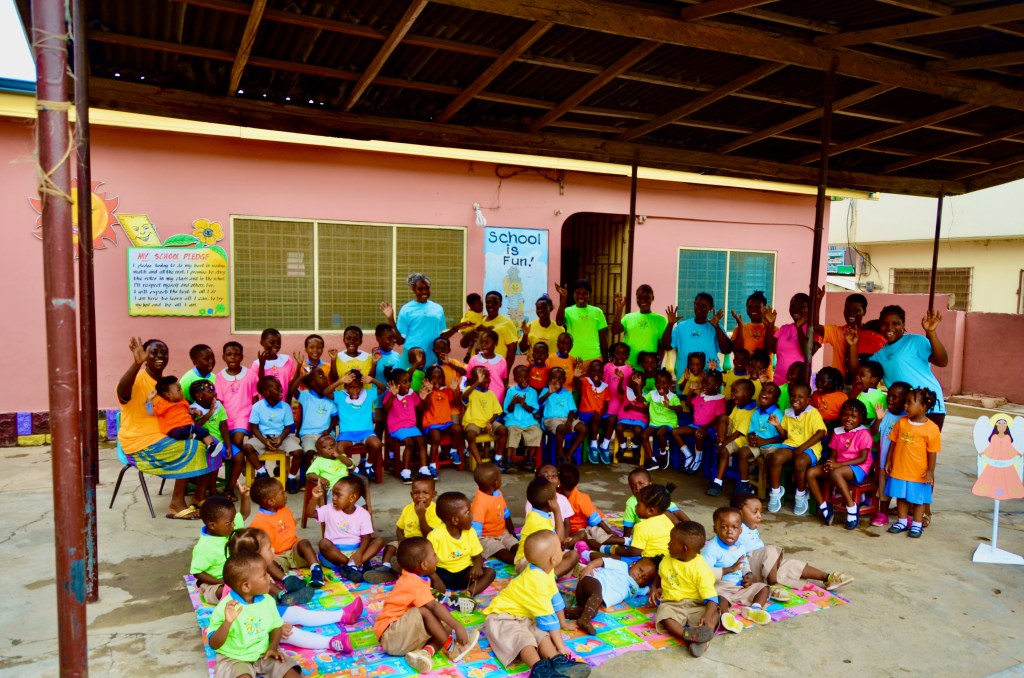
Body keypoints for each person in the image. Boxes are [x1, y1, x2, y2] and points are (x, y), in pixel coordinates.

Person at [117, 337, 212, 519]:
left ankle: (198, 496)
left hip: (167, 435)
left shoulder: (168, 385)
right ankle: (176, 504)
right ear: (144, 356)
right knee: (192, 447)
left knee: (213, 444)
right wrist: (136, 364)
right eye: (154, 352)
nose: (160, 356)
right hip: (140, 442)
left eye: (164, 352)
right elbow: (123, 391)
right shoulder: (136, 380)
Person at [224, 529, 362, 652]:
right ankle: (331, 643)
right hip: (253, 631)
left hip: (267, 612)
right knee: (290, 633)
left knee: (297, 612)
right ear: (254, 557)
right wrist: (274, 626)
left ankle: (342, 615)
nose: (273, 550)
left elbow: (264, 604)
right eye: (268, 548)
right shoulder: (239, 589)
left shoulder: (256, 575)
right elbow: (244, 622)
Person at [484, 531, 591, 676]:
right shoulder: (536, 582)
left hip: (526, 615)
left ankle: (557, 660)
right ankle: (539, 670)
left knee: (541, 634)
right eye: (560, 548)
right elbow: (549, 620)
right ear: (553, 559)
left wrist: (564, 624)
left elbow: (556, 600)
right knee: (523, 639)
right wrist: (562, 647)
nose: (563, 550)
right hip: (502, 617)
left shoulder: (545, 571)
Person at [374, 537, 479, 671]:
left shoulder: (417, 577)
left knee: (444, 626)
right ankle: (451, 648)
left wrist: (451, 625)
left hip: (403, 638)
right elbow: (433, 606)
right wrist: (458, 626)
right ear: (423, 565)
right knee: (426, 610)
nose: (437, 557)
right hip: (391, 636)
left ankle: (424, 653)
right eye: (434, 554)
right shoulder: (411, 582)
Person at [730, 493, 852, 592]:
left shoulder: (751, 528)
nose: (759, 516)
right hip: (748, 570)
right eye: (754, 512)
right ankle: (774, 585)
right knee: (770, 550)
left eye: (760, 512)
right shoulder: (734, 528)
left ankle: (827, 577)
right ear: (738, 513)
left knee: (792, 564)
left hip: (763, 569)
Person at [206, 553, 302, 678]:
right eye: (264, 575)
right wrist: (227, 623)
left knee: (290, 672)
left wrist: (272, 648)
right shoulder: (225, 608)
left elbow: (276, 626)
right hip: (234, 658)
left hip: (264, 653)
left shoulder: (267, 600)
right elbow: (214, 644)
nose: (269, 577)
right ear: (246, 586)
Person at [871, 306, 949, 431]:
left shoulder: (916, 341)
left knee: (921, 448)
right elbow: (861, 373)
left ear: (903, 325)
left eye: (895, 323)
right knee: (904, 448)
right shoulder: (879, 355)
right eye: (885, 324)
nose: (890, 328)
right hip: (904, 409)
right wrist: (853, 346)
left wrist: (931, 332)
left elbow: (942, 361)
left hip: (929, 405)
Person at [648, 522, 719, 658]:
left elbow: (711, 597)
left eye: (671, 542)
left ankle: (704, 634)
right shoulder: (667, 559)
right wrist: (654, 587)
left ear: (684, 548)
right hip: (672, 603)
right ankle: (687, 636)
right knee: (664, 616)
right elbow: (660, 572)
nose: (668, 544)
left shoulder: (700, 569)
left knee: (713, 614)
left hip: (696, 604)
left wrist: (707, 615)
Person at [700, 506, 771, 632]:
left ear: (740, 530)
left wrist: (748, 573)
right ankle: (726, 616)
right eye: (724, 527)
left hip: (739, 586)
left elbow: (743, 562)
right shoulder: (711, 549)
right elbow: (704, 574)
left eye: (734, 527)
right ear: (715, 529)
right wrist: (729, 569)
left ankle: (754, 609)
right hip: (721, 586)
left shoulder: (739, 545)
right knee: (719, 598)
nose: (729, 532)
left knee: (764, 588)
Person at [308, 476, 391, 583]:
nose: (333, 498)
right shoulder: (328, 509)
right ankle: (352, 565)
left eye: (338, 495)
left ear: (352, 498)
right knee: (323, 543)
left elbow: (366, 537)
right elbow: (310, 513)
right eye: (333, 494)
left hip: (355, 552)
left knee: (379, 541)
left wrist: (359, 553)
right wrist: (314, 498)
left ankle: (353, 566)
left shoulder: (363, 514)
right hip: (334, 555)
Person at [807, 399, 873, 529]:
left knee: (836, 472)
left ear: (861, 418)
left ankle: (851, 506)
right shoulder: (838, 432)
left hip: (858, 467)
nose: (849, 419)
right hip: (839, 466)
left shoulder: (864, 433)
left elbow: (862, 459)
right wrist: (831, 462)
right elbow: (834, 454)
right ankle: (824, 506)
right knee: (811, 472)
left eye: (853, 416)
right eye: (846, 415)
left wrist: (837, 466)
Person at [381, 273, 470, 368]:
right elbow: (400, 341)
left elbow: (440, 337)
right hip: (411, 358)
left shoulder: (438, 309)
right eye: (420, 289)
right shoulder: (406, 309)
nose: (424, 291)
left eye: (427, 288)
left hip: (432, 357)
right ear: (413, 289)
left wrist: (456, 328)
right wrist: (391, 320)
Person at [248, 476, 324, 587]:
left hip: (294, 551)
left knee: (305, 543)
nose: (286, 495)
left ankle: (316, 570)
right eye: (282, 493)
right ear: (271, 501)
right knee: (267, 563)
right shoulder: (257, 524)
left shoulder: (285, 510)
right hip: (278, 557)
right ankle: (286, 579)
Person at [886, 388, 941, 538]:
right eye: (905, 402)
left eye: (909, 403)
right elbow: (893, 442)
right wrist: (889, 460)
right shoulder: (901, 423)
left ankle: (917, 524)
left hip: (919, 472)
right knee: (901, 497)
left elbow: (932, 452)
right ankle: (902, 521)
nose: (905, 406)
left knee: (919, 499)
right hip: (900, 469)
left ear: (923, 407)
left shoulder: (932, 429)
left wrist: (930, 471)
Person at [427, 492, 497, 611]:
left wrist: (477, 566)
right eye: (468, 512)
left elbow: (477, 555)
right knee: (419, 576)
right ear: (455, 520)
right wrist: (436, 579)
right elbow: (427, 562)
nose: (472, 515)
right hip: (441, 573)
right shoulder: (435, 536)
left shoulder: (470, 533)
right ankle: (433, 594)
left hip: (465, 575)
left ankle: (466, 594)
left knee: (490, 572)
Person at [764, 383, 827, 516]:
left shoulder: (813, 413)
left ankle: (801, 493)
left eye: (800, 397)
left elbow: (821, 433)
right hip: (791, 444)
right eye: (793, 396)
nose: (795, 399)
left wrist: (802, 448)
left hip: (810, 446)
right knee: (776, 458)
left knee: (800, 462)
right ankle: (776, 492)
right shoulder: (788, 412)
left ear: (808, 400)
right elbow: (786, 435)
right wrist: (777, 426)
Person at [566, 556, 657, 635]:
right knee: (597, 594)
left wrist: (656, 588)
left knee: (590, 611)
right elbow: (602, 561)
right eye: (640, 570)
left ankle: (562, 613)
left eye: (644, 578)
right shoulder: (622, 566)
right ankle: (584, 620)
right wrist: (590, 566)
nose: (639, 575)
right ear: (633, 564)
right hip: (591, 582)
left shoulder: (638, 589)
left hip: (592, 600)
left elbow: (653, 591)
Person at [215, 341, 259, 499]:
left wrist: (255, 423)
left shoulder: (250, 375)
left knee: (238, 440)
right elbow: (219, 402)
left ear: (242, 356)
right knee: (234, 451)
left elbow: (255, 399)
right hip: (226, 419)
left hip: (243, 416)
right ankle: (237, 468)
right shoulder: (219, 377)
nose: (232, 357)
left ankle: (234, 474)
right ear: (223, 357)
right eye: (229, 354)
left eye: (236, 354)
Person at [287, 361, 339, 493]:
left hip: (326, 435)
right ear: (313, 383)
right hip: (308, 435)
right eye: (321, 376)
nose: (325, 377)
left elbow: (334, 418)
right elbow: (292, 389)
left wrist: (329, 430)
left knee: (331, 453)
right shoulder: (306, 396)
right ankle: (313, 480)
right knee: (309, 452)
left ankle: (331, 478)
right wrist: (304, 375)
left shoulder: (330, 399)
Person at [328, 369, 385, 482]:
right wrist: (339, 381)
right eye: (351, 387)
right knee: (339, 448)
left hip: (366, 432)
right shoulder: (340, 396)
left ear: (362, 386)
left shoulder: (368, 394)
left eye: (358, 387)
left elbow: (383, 388)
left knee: (377, 444)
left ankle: (368, 466)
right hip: (347, 434)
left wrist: (372, 380)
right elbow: (326, 392)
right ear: (346, 387)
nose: (355, 390)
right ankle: (353, 468)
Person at [241, 376, 302, 480]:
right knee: (247, 447)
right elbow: (254, 428)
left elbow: (288, 428)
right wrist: (265, 441)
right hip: (262, 437)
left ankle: (291, 478)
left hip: (281, 437)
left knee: (299, 452)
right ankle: (262, 472)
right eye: (277, 388)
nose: (281, 390)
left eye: (280, 387)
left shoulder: (285, 406)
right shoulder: (257, 407)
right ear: (266, 393)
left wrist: (281, 439)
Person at [190, 495, 249, 604]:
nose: (233, 525)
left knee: (260, 578)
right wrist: (218, 581)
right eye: (229, 523)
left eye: (233, 521)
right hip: (214, 583)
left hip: (235, 576)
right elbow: (197, 572)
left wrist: (245, 497)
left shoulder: (226, 528)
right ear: (212, 525)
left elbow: (244, 514)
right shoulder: (204, 547)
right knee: (222, 591)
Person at [518, 476, 580, 579]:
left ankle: (548, 577)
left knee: (568, 556)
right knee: (573, 556)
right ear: (551, 503)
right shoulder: (541, 522)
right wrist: (557, 511)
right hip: (527, 565)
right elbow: (560, 539)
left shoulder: (534, 515)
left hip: (532, 560)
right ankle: (548, 580)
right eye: (555, 494)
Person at [662, 292, 733, 379]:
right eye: (697, 304)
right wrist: (670, 325)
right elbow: (666, 346)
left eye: (703, 305)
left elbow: (727, 350)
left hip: (710, 383)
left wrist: (717, 327)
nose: (699, 307)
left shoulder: (716, 327)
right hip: (685, 383)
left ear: (710, 308)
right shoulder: (681, 327)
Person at [557, 464, 625, 553]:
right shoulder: (556, 495)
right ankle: (603, 549)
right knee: (586, 538)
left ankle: (625, 541)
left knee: (598, 535)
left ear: (559, 482)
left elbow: (594, 519)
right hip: (578, 529)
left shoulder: (580, 498)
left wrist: (610, 531)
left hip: (593, 523)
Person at [380, 477, 442, 575]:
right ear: (411, 495)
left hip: (424, 545)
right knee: (390, 546)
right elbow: (399, 529)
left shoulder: (435, 511)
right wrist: (402, 542)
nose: (420, 496)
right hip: (407, 542)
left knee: (425, 555)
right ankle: (386, 567)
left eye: (425, 493)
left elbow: (429, 534)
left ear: (433, 494)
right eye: (416, 493)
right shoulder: (407, 509)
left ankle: (403, 567)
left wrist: (421, 516)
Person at [817, 293, 886, 379]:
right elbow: (815, 327)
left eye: (856, 310)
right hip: (839, 384)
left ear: (864, 312)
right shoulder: (836, 331)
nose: (851, 314)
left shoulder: (870, 333)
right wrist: (818, 301)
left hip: (864, 386)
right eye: (848, 310)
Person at [870, 381, 910, 526]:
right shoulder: (885, 414)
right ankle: (883, 514)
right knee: (883, 489)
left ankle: (904, 517)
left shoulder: (907, 418)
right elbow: (873, 432)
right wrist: (878, 420)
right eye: (889, 395)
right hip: (883, 463)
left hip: (902, 464)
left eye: (895, 397)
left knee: (903, 490)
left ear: (906, 400)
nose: (890, 399)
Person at [708, 378, 757, 497]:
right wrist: (723, 439)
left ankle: (718, 483)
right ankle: (720, 442)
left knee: (724, 451)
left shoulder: (751, 411)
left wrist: (723, 445)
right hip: (732, 434)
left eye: (735, 392)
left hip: (740, 440)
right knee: (723, 417)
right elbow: (729, 421)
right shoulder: (738, 406)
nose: (732, 395)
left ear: (746, 394)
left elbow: (737, 434)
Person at [736, 382, 784, 495]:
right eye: (763, 390)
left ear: (776, 399)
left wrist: (765, 442)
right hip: (757, 444)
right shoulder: (756, 412)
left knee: (772, 458)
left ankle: (773, 488)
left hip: (772, 445)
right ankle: (744, 485)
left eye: (770, 392)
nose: (765, 393)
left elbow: (782, 438)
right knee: (742, 452)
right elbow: (751, 430)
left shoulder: (778, 414)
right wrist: (751, 437)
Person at [382, 367, 430, 484]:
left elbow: (420, 408)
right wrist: (393, 395)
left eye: (409, 381)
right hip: (397, 428)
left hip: (411, 427)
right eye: (404, 382)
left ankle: (424, 469)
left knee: (421, 441)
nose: (408, 384)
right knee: (409, 443)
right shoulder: (390, 395)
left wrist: (423, 399)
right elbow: (386, 409)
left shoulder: (411, 394)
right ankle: (405, 471)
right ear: (396, 384)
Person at [677, 370, 726, 474]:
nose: (704, 385)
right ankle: (688, 455)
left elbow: (718, 418)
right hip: (695, 425)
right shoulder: (701, 396)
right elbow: (688, 404)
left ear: (717, 385)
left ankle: (698, 459)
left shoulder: (720, 399)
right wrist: (691, 390)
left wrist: (704, 428)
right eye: (703, 383)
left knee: (698, 434)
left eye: (707, 383)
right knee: (675, 432)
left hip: (710, 429)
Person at [610, 483, 676, 560]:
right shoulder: (667, 518)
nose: (635, 506)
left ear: (650, 511)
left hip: (651, 560)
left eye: (638, 504)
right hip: (668, 558)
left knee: (612, 558)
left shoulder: (642, 527)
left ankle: (597, 549)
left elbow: (634, 552)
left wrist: (617, 550)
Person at [764, 294, 819, 385]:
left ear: (809, 310)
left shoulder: (812, 330)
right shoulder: (784, 328)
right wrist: (770, 325)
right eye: (792, 306)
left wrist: (799, 328)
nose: (796, 310)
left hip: (799, 385)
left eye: (801, 307)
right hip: (779, 383)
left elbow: (807, 353)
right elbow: (770, 349)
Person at [471, 462, 520, 564]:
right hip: (486, 538)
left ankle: (526, 559)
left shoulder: (498, 493)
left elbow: (506, 515)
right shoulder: (480, 503)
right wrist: (475, 556)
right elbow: (475, 533)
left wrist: (512, 534)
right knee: (501, 552)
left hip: (502, 533)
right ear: (496, 483)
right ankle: (520, 563)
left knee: (519, 548)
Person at [621, 468, 688, 540]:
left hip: (664, 533)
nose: (637, 488)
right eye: (633, 487)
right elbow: (628, 523)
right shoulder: (631, 502)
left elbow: (678, 513)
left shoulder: (657, 495)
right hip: (645, 533)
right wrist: (626, 538)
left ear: (650, 484)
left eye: (641, 483)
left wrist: (691, 530)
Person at [419, 366, 463, 473]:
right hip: (431, 424)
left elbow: (457, 403)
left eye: (440, 377)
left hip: (446, 423)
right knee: (436, 437)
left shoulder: (446, 391)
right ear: (427, 380)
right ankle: (432, 465)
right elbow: (426, 407)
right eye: (433, 377)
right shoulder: (424, 391)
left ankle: (452, 451)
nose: (437, 380)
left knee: (458, 429)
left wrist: (454, 391)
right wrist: (428, 391)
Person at [611, 285, 668, 368]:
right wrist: (619, 309)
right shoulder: (628, 317)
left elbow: (661, 346)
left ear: (653, 298)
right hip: (629, 366)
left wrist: (658, 364)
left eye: (647, 298)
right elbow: (615, 331)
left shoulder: (660, 320)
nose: (643, 301)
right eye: (639, 298)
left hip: (649, 368)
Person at [461, 366, 508, 467]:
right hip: (473, 422)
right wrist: (477, 383)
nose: (487, 379)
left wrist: (489, 422)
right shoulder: (470, 390)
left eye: (488, 377)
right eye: (484, 377)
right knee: (470, 435)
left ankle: (498, 458)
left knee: (504, 430)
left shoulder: (491, 394)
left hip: (488, 421)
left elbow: (496, 412)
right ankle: (480, 464)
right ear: (475, 379)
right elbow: (464, 397)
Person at [538, 368, 587, 464]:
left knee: (583, 428)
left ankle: (569, 453)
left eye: (560, 378)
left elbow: (572, 410)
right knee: (561, 428)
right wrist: (549, 393)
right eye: (554, 377)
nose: (557, 380)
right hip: (551, 419)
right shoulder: (546, 390)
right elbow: (539, 402)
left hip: (566, 418)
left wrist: (569, 421)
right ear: (549, 380)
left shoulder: (567, 393)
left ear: (564, 380)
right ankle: (559, 452)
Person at [643, 369, 686, 472]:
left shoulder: (672, 396)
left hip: (669, 422)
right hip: (655, 422)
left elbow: (680, 408)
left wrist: (669, 406)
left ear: (670, 384)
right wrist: (637, 387)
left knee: (660, 433)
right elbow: (643, 400)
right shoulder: (652, 394)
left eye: (664, 383)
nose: (660, 385)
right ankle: (653, 460)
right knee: (643, 436)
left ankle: (663, 452)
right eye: (658, 383)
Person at [555, 279, 608, 363]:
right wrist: (564, 299)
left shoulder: (598, 312)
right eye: (578, 293)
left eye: (585, 293)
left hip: (594, 357)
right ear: (573, 294)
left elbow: (603, 340)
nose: (581, 296)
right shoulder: (568, 311)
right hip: (573, 356)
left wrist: (606, 361)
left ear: (589, 295)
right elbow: (559, 322)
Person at [973, 417, 1024, 500]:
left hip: (1006, 460)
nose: (1001, 428)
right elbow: (991, 447)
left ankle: (1010, 492)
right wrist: (984, 453)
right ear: (996, 427)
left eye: (1004, 426)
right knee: (991, 477)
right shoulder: (994, 437)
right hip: (995, 460)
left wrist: (1017, 453)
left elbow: (1010, 448)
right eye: (1000, 426)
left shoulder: (1007, 437)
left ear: (1006, 428)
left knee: (1008, 477)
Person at [306, 434, 362, 509]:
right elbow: (310, 474)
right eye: (324, 447)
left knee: (360, 503)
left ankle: (358, 518)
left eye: (332, 445)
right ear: (319, 453)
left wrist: (339, 456)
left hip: (348, 488)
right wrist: (321, 479)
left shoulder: (342, 457)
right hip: (332, 490)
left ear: (337, 446)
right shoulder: (319, 461)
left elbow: (351, 465)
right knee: (334, 508)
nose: (329, 448)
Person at [460, 290, 519, 361]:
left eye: (495, 302)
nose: (491, 305)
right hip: (476, 366)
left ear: (500, 304)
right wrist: (468, 334)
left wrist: (506, 370)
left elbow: (512, 350)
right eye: (488, 302)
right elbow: (463, 345)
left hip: (495, 367)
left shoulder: (507, 323)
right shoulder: (479, 321)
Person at [504, 365, 543, 467]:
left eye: (526, 377)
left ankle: (530, 458)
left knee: (537, 431)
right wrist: (513, 402)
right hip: (513, 420)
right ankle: (508, 459)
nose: (524, 380)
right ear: (515, 379)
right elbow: (508, 410)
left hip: (528, 421)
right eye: (520, 377)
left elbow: (532, 410)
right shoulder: (511, 391)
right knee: (511, 431)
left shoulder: (533, 391)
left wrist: (523, 404)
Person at [601, 343, 634, 463]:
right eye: (618, 353)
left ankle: (622, 447)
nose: (621, 355)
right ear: (612, 354)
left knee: (615, 422)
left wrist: (620, 380)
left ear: (627, 355)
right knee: (609, 421)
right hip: (608, 403)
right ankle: (603, 446)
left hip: (621, 405)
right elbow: (603, 384)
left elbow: (624, 391)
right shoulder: (607, 367)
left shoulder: (629, 369)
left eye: (624, 353)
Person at [578, 358, 614, 464]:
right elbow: (576, 383)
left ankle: (604, 446)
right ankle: (593, 446)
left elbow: (606, 404)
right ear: (590, 372)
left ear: (603, 373)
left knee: (611, 419)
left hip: (599, 414)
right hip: (586, 414)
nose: (596, 373)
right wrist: (577, 375)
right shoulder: (586, 381)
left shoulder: (605, 386)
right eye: (594, 371)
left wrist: (603, 412)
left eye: (599, 371)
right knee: (596, 417)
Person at [467, 329, 510, 406]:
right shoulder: (474, 359)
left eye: (487, 342)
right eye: (482, 342)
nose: (483, 345)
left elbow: (504, 380)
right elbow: (469, 380)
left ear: (495, 343)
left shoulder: (502, 361)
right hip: (478, 397)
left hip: (497, 397)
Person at [519, 295, 565, 359]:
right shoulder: (529, 326)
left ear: (550, 308)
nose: (540, 311)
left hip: (553, 367)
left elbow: (563, 351)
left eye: (544, 308)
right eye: (538, 308)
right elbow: (522, 349)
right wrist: (525, 335)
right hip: (534, 367)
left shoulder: (560, 329)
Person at [254, 328, 295, 397]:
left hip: (284, 404)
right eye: (272, 342)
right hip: (266, 406)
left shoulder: (287, 360)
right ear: (262, 343)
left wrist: (288, 401)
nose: (276, 345)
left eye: (279, 343)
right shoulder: (256, 364)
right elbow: (260, 387)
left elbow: (292, 384)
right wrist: (262, 366)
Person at [730, 290, 770, 355]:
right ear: (746, 309)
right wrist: (740, 327)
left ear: (764, 308)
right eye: (750, 307)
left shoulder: (773, 329)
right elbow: (736, 351)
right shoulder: (738, 328)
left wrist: (769, 327)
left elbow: (770, 350)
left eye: (758, 307)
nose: (753, 310)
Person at [810, 366, 848, 431]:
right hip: (817, 427)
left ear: (833, 382)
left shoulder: (842, 397)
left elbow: (845, 416)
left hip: (835, 428)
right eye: (817, 380)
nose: (818, 383)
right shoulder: (815, 395)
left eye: (822, 381)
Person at [852, 360, 887, 426]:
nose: (857, 377)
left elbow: (879, 418)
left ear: (874, 380)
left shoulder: (878, 398)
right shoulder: (863, 393)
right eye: (857, 374)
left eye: (862, 375)